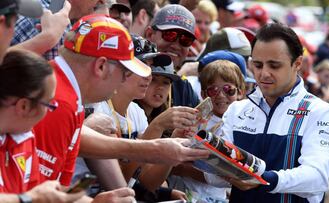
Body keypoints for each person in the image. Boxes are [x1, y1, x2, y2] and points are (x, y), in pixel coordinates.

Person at [33, 13, 209, 188]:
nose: (124, 80)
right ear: (101, 66)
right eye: (125, 71)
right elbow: (36, 195)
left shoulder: (63, 91)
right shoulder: (59, 101)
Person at [219, 23, 329, 203]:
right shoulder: (237, 109)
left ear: (297, 63)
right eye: (258, 65)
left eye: (274, 66)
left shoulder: (322, 113)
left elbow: (317, 177)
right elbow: (216, 177)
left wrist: (264, 179)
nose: (264, 74)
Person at [0, 49, 85, 202]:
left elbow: (36, 193)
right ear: (24, 106)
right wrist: (28, 199)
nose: (50, 110)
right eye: (49, 103)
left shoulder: (25, 137)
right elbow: (33, 197)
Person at [173, 57, 247, 202]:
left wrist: (187, 169)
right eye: (213, 90)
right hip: (184, 192)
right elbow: (176, 160)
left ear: (240, 92)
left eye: (228, 89)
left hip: (217, 197)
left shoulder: (243, 126)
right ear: (203, 94)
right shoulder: (194, 119)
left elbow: (233, 176)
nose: (220, 95)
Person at [145, 4, 200, 107]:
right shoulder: (129, 76)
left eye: (186, 40)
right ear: (149, 34)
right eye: (170, 35)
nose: (176, 46)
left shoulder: (183, 88)